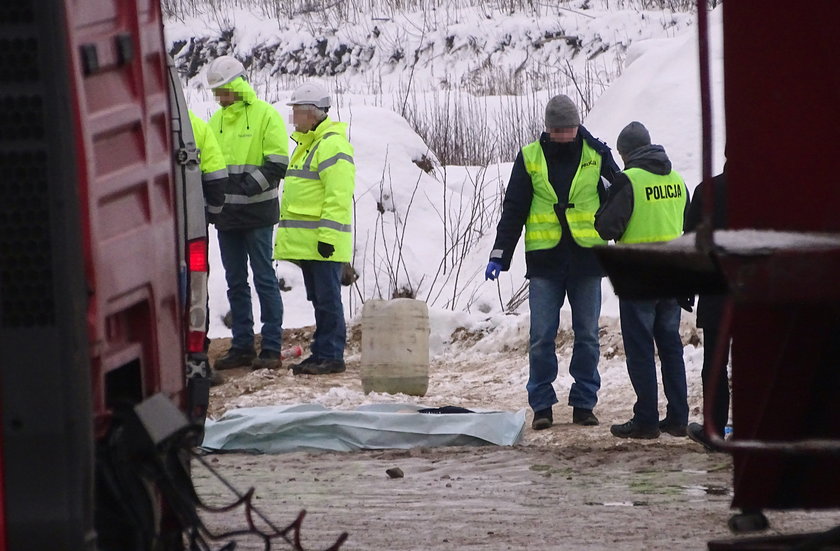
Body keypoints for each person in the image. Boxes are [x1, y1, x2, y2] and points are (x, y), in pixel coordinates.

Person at [485, 94, 619, 430]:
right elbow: (514, 208)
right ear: (547, 129)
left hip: (588, 258)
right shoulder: (530, 157)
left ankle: (584, 403)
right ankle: (542, 405)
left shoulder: (596, 154)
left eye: (569, 129)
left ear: (577, 126)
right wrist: (500, 254)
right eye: (558, 130)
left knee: (587, 334)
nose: (564, 135)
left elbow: (619, 196)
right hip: (545, 261)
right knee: (542, 336)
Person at [594, 121, 689, 439]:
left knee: (641, 349)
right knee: (671, 346)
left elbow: (607, 228)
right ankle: (678, 418)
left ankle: (646, 420)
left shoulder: (628, 180)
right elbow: (687, 224)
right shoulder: (677, 180)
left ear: (626, 153)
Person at [205, 56, 289, 371]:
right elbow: (210, 167)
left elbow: (278, 163)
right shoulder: (216, 122)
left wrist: (240, 189)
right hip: (227, 217)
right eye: (217, 92)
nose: (220, 97)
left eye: (224, 90)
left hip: (258, 214)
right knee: (235, 282)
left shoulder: (266, 116)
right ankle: (242, 346)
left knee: (264, 278)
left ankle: (271, 347)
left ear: (238, 85)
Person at [273, 82, 355, 375]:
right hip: (311, 243)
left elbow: (339, 196)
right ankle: (322, 352)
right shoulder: (309, 145)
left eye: (296, 111)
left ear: (312, 113)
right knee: (320, 300)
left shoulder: (331, 145)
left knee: (328, 300)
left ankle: (332, 356)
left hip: (323, 243)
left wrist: (328, 239)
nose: (293, 117)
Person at [684, 167, 729, 451]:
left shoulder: (707, 191)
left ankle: (714, 431)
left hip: (717, 293)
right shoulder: (770, 191)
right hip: (758, 293)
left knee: (715, 365)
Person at [188, 110, 227, 223]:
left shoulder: (138, 128)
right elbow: (216, 176)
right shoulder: (200, 128)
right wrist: (214, 213)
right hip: (193, 217)